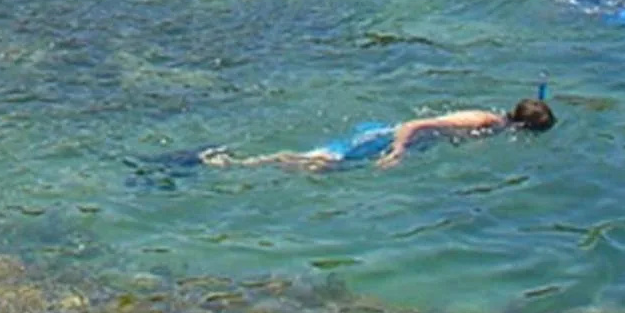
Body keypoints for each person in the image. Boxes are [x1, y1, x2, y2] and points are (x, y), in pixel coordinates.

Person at [201, 96, 556, 172]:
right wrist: (398, 151)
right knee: (325, 160)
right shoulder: (483, 121)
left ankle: (244, 163)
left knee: (325, 167)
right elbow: (415, 124)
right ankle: (236, 163)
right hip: (390, 138)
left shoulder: (496, 125)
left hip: (400, 141)